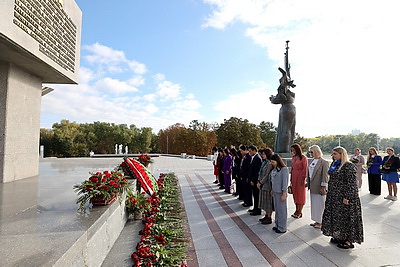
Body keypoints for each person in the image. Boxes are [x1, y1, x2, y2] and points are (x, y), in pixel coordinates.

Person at [322, 146, 364, 249]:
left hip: (344, 196)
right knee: (337, 217)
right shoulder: (335, 164)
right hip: (334, 196)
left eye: (335, 154)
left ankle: (348, 240)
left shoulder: (348, 166)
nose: (333, 155)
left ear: (342, 154)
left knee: (346, 218)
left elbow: (351, 184)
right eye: (333, 153)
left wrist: (347, 197)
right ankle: (338, 235)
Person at [307, 145, 329, 229]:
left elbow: (325, 176)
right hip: (312, 186)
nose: (310, 154)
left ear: (316, 151)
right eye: (310, 152)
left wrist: (323, 186)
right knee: (314, 204)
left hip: (319, 187)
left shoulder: (324, 162)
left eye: (312, 152)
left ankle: (321, 221)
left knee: (320, 204)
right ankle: (316, 220)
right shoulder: (312, 161)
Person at [270, 154, 289, 233]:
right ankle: (277, 225)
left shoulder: (284, 169)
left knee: (282, 211)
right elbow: (272, 180)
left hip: (281, 192)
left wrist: (284, 193)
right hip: (275, 191)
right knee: (277, 210)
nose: (272, 163)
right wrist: (272, 189)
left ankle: (282, 227)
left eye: (273, 162)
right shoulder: (275, 169)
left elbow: (285, 183)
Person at [290, 144, 308, 219]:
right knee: (295, 194)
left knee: (300, 195)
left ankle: (299, 211)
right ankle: (296, 210)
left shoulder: (303, 158)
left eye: (294, 150)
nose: (293, 152)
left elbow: (305, 169)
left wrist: (304, 179)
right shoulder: (293, 157)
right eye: (292, 150)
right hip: (294, 177)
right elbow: (292, 168)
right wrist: (291, 179)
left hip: (300, 177)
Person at [257, 148, 274, 224]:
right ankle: (266, 215)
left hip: (267, 185)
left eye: (264, 154)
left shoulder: (270, 163)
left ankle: (269, 217)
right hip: (262, 184)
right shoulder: (264, 162)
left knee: (268, 202)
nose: (262, 155)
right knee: (264, 201)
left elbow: (267, 175)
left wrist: (261, 182)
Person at [248, 146, 262, 215]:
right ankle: (255, 208)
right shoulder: (254, 158)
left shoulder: (258, 158)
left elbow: (257, 171)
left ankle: (257, 210)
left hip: (255, 181)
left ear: (254, 150)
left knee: (257, 196)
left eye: (250, 151)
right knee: (255, 195)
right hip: (253, 180)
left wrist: (253, 180)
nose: (249, 153)